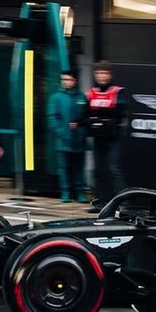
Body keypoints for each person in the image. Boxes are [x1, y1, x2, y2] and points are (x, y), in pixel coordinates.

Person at [85, 61, 126, 210]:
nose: (101, 76)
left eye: (104, 73)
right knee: (97, 170)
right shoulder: (90, 92)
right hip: (97, 137)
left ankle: (123, 204)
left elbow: (121, 114)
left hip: (113, 137)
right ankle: (99, 203)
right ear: (95, 75)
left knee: (113, 169)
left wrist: (100, 116)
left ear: (110, 75)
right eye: (99, 73)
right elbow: (86, 114)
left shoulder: (118, 91)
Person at [48, 70, 89, 202]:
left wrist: (82, 133)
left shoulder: (82, 97)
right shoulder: (56, 98)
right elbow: (52, 118)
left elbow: (86, 117)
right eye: (64, 79)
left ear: (75, 80)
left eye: (69, 79)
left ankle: (80, 193)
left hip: (79, 140)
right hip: (63, 140)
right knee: (63, 168)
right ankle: (65, 193)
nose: (66, 82)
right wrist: (62, 133)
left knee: (79, 168)